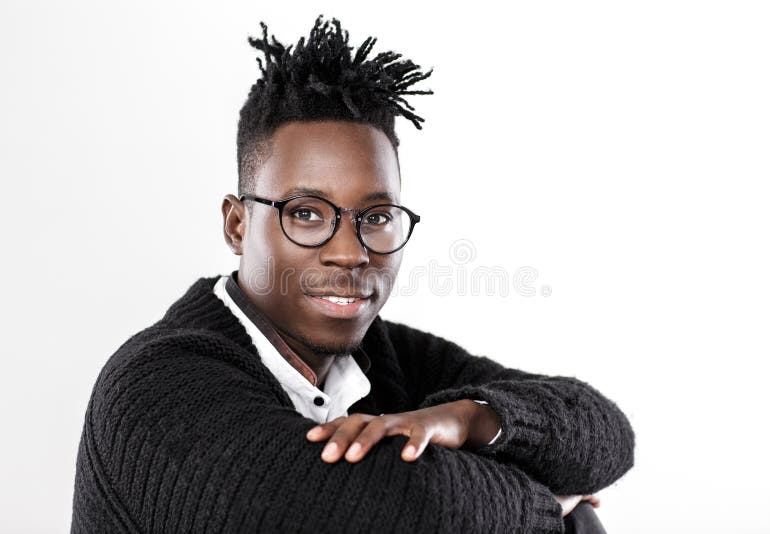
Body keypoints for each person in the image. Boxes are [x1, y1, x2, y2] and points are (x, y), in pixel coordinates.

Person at [71, 15, 634, 533]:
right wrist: (553, 508)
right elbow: (374, 514)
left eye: (377, 217)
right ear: (238, 225)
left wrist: (467, 419)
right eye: (307, 214)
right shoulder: (156, 386)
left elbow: (604, 434)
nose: (350, 252)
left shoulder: (378, 358)